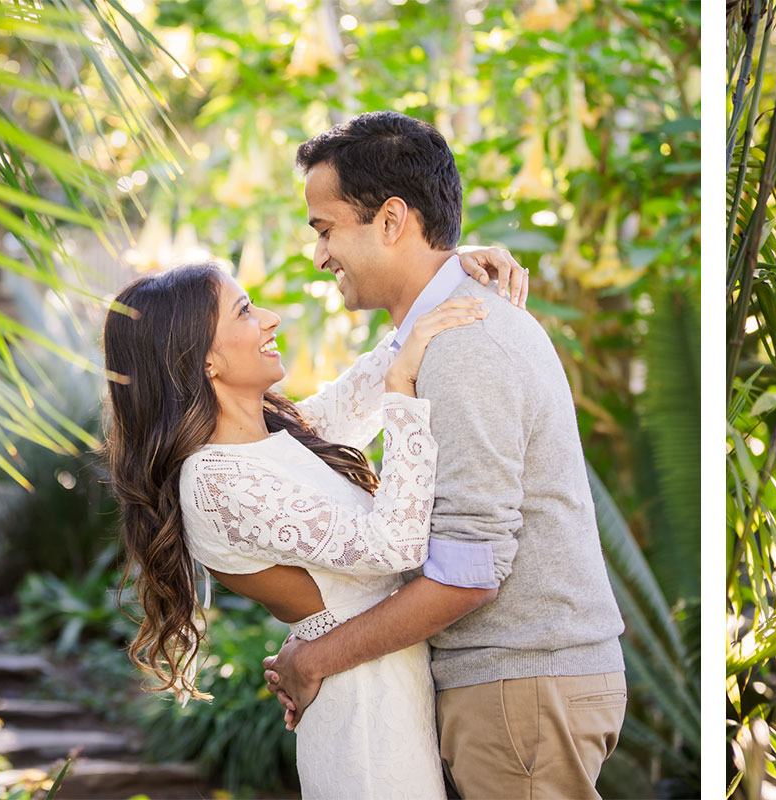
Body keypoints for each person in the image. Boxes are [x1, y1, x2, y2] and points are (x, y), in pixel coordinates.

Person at [260, 111, 629, 800]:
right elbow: (322, 423)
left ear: (392, 219)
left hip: (520, 690)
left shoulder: (464, 343)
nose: (320, 255)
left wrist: (314, 661)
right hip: (516, 688)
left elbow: (470, 571)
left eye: (325, 229)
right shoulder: (446, 328)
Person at [103, 246, 524, 797]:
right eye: (245, 311)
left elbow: (372, 377)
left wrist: (454, 267)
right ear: (205, 360)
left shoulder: (276, 440)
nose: (270, 319)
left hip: (387, 680)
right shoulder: (216, 482)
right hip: (365, 713)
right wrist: (403, 389)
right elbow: (395, 543)